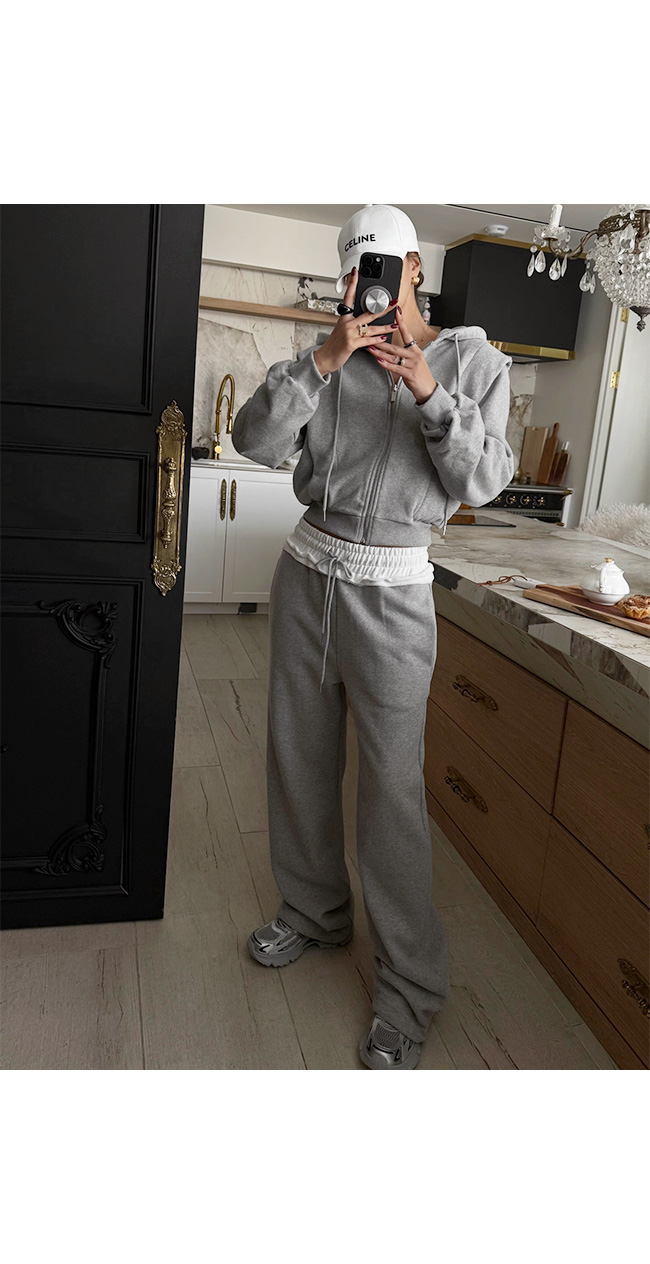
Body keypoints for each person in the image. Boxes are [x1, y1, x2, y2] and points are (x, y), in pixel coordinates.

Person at [232, 204, 514, 1069]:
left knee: (390, 789)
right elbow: (253, 441)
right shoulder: (327, 354)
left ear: (414, 266)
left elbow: (484, 481)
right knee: (298, 758)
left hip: (393, 593)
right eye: (355, 271)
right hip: (307, 572)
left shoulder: (473, 361)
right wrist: (323, 360)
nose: (369, 286)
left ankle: (410, 986)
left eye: (382, 267)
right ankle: (314, 913)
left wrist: (428, 390)